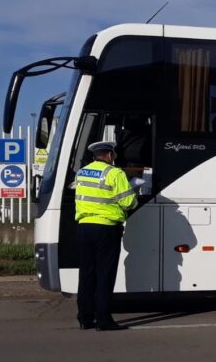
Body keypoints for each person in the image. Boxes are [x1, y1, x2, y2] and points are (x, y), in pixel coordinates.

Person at [74, 141, 138, 331]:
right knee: (105, 275)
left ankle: (85, 318)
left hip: (84, 227)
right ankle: (103, 319)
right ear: (110, 155)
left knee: (86, 274)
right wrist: (135, 192)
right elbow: (129, 202)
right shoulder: (115, 173)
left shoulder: (82, 172)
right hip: (106, 229)